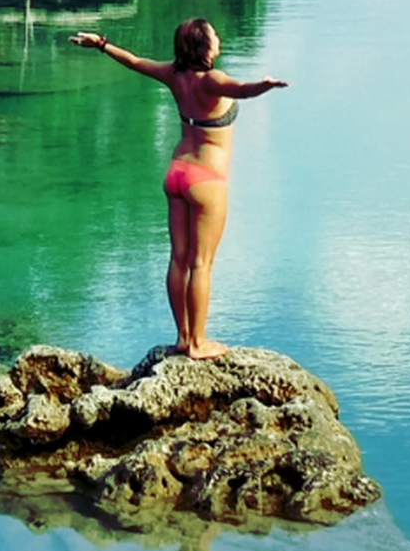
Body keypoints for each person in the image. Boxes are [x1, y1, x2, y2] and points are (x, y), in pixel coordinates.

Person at [70, 18, 287, 359]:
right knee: (202, 263)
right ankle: (199, 344)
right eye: (214, 35)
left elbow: (135, 62)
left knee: (179, 260)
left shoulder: (174, 74)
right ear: (204, 45)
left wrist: (101, 44)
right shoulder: (212, 80)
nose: (219, 38)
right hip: (206, 179)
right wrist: (266, 85)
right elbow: (240, 89)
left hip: (177, 173)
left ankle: (182, 338)